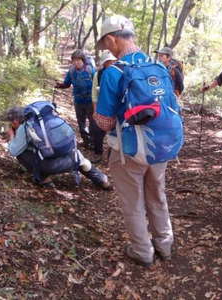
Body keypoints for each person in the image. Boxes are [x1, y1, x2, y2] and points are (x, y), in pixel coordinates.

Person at [93, 15, 175, 267]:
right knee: (157, 195)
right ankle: (164, 244)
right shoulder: (159, 67)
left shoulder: (113, 72)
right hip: (161, 146)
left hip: (129, 149)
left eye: (106, 44)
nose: (107, 49)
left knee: (133, 200)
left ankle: (142, 250)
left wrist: (96, 112)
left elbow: (105, 123)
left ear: (111, 38)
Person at [5, 106, 110, 190]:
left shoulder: (25, 127)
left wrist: (11, 135)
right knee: (81, 161)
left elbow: (13, 151)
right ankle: (102, 179)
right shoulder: (42, 119)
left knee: (20, 153)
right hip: (72, 153)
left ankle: (43, 179)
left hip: (53, 165)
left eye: (10, 123)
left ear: (15, 121)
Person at [55, 50, 99, 154]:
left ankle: (93, 141)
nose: (76, 63)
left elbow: (96, 84)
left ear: (83, 60)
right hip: (78, 100)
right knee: (81, 122)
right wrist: (60, 85)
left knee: (92, 122)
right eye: (74, 60)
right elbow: (67, 83)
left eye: (78, 60)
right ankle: (86, 141)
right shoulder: (71, 71)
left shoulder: (90, 70)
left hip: (90, 100)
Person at [89, 51, 118, 163]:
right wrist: (95, 110)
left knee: (115, 133)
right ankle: (98, 153)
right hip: (102, 107)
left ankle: (111, 157)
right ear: (104, 63)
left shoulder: (119, 73)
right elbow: (94, 94)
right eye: (108, 62)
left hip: (115, 108)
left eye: (112, 61)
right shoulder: (99, 74)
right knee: (97, 130)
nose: (111, 63)